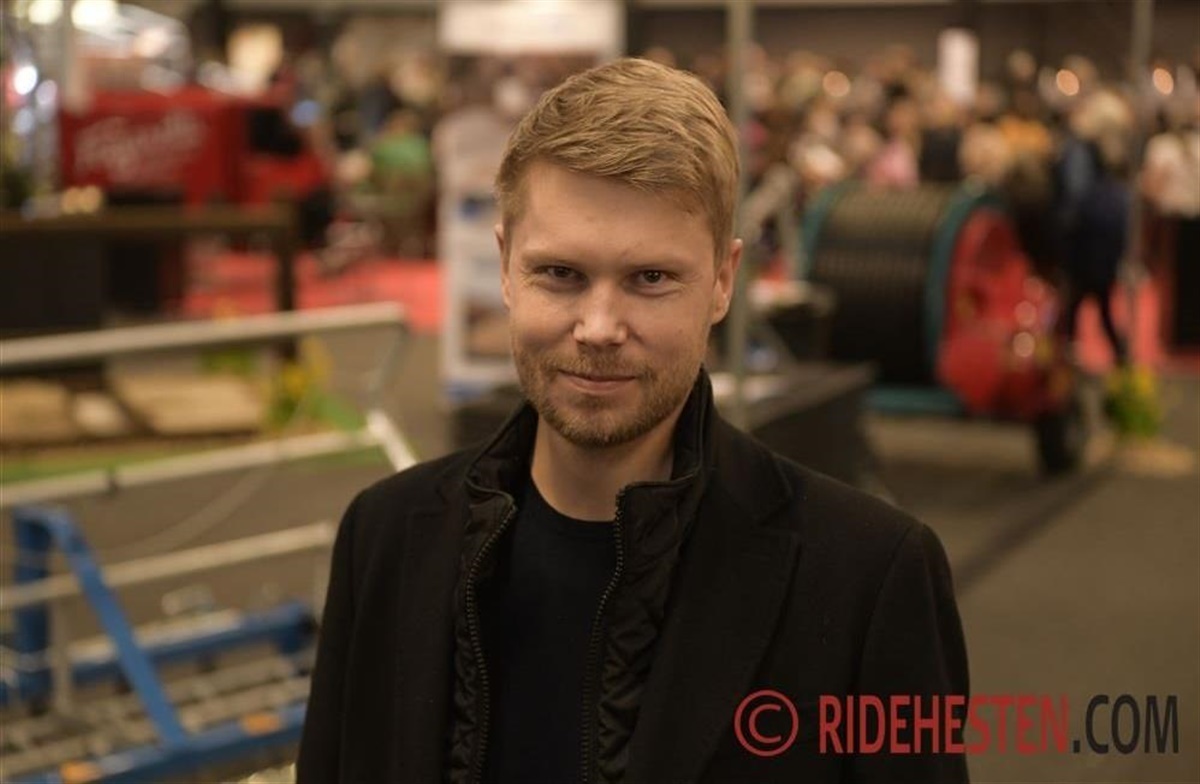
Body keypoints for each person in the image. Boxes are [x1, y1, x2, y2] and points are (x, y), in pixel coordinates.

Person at [296, 58, 969, 784]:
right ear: (505, 267)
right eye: (561, 274)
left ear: (723, 281)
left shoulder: (870, 578)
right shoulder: (384, 538)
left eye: (650, 279)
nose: (599, 327)